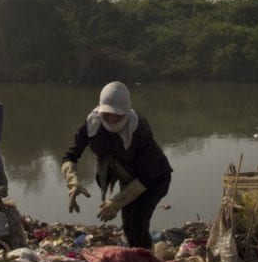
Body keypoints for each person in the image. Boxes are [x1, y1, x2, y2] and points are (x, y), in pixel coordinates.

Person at [60, 81, 173, 248]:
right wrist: (72, 182)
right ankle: (139, 260)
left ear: (126, 111)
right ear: (100, 110)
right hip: (129, 179)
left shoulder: (138, 128)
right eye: (107, 114)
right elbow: (70, 156)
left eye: (117, 115)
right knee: (128, 227)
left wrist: (117, 201)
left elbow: (148, 176)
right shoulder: (93, 123)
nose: (111, 120)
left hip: (154, 179)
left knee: (137, 224)